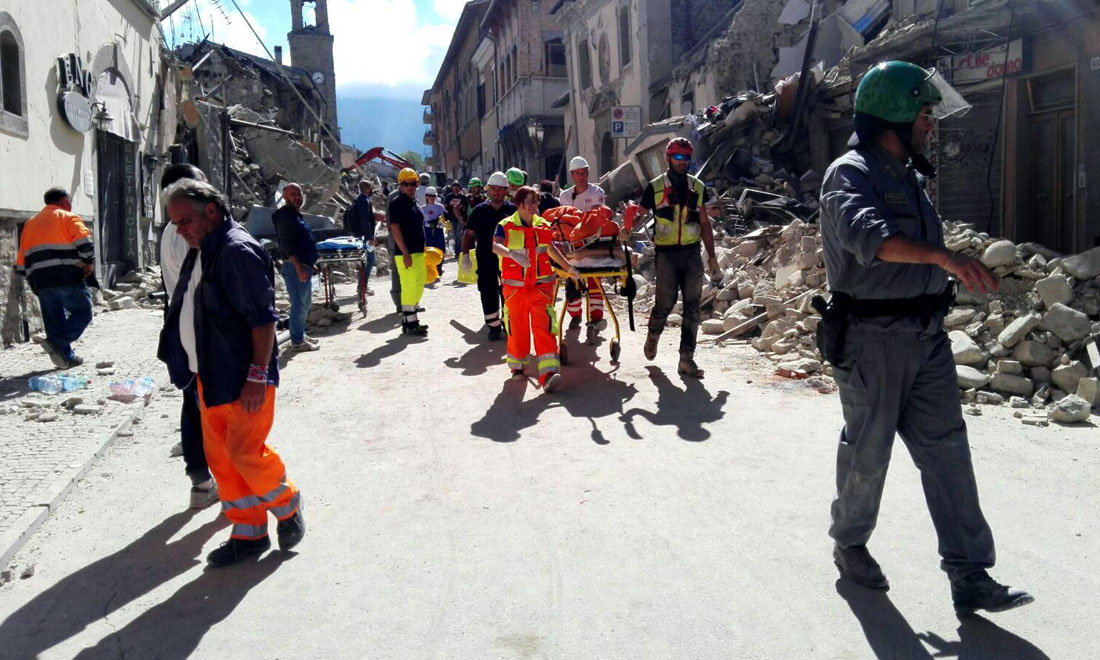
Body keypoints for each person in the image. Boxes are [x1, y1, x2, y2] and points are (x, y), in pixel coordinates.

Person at [819, 60, 1032, 614]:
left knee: (948, 456)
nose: (930, 125)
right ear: (893, 117)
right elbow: (873, 239)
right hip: (871, 340)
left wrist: (946, 268)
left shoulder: (911, 178)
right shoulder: (850, 173)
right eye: (924, 113)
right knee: (868, 454)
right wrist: (943, 256)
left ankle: (969, 574)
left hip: (926, 338)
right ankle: (849, 543)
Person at [161, 179, 305, 568]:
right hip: (208, 376)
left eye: (184, 220)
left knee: (244, 453)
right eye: (174, 223)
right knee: (221, 458)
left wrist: (257, 376)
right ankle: (248, 531)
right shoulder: (202, 248)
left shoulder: (236, 250)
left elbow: (263, 321)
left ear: (211, 211)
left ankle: (287, 504)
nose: (179, 230)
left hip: (243, 379)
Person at [157, 163, 217, 510]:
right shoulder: (187, 231)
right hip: (199, 330)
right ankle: (229, 486)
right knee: (211, 407)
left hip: (184, 327)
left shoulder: (169, 231)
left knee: (193, 405)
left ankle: (200, 481)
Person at [639, 138, 720, 378]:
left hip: (692, 253)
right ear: (669, 158)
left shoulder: (697, 187)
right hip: (666, 255)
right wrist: (625, 227)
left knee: (693, 308)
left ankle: (687, 359)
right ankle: (653, 335)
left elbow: (704, 223)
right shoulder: (654, 187)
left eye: (686, 158)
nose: (683, 162)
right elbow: (638, 214)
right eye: (678, 157)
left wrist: (712, 258)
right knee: (664, 304)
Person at [493, 186, 579, 392]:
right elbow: (495, 246)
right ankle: (518, 367)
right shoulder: (505, 225)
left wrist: (568, 268)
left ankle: (549, 375)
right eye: (530, 202)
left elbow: (550, 248)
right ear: (519, 203)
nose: (534, 206)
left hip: (541, 288)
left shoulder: (543, 225)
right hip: (515, 290)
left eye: (536, 201)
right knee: (517, 329)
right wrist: (512, 254)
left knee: (545, 330)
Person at [16, 187, 95, 369]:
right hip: (67, 276)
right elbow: (84, 242)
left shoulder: (30, 223)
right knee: (83, 313)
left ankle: (66, 358)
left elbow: (22, 255)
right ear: (63, 201)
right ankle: (56, 343)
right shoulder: (68, 217)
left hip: (41, 280)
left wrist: (26, 275)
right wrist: (88, 263)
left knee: (54, 320)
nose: (71, 204)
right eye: (70, 200)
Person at [463, 171, 515, 341]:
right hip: (485, 257)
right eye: (494, 189)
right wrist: (465, 255)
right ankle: (493, 325)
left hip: (508, 258)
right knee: (487, 290)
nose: (497, 192)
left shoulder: (513, 210)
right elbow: (468, 234)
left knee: (509, 291)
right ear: (488, 190)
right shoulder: (479, 211)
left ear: (506, 190)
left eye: (501, 189)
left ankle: (507, 322)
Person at [559, 156, 609, 330]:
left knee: (595, 279)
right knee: (573, 281)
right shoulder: (565, 196)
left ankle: (596, 317)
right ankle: (576, 315)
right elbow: (564, 221)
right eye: (578, 173)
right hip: (573, 244)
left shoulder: (597, 192)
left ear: (588, 172)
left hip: (594, 243)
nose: (581, 176)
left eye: (584, 172)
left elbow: (596, 218)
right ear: (572, 175)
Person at [273, 183, 320, 352]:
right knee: (299, 304)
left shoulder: (296, 215)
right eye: (293, 194)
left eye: (299, 194)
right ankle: (297, 341)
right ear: (284, 197)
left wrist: (310, 264)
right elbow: (286, 244)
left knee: (305, 303)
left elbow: (303, 241)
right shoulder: (284, 216)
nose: (297, 197)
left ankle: (299, 334)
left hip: (304, 265)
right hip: (294, 267)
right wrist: (299, 266)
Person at [389, 168, 429, 336]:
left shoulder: (413, 202)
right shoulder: (397, 203)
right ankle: (411, 322)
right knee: (409, 286)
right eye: (406, 184)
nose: (410, 187)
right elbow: (395, 229)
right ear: (401, 185)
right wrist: (405, 253)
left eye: (413, 183)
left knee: (419, 284)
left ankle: (408, 320)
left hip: (418, 251)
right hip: (406, 253)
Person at [346, 180, 381, 295]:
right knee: (370, 261)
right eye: (370, 188)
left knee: (367, 261)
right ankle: (363, 286)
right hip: (366, 238)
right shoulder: (363, 201)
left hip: (364, 236)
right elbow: (365, 221)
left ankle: (362, 286)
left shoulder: (360, 200)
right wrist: (370, 238)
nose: (372, 190)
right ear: (366, 188)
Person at [421, 187, 448, 276]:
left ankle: (439, 266)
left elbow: (444, 218)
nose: (431, 197)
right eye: (429, 195)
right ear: (426, 196)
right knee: (429, 248)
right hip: (428, 231)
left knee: (440, 247)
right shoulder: (422, 208)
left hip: (438, 230)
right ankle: (432, 267)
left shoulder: (440, 207)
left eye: (433, 195)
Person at [443, 180, 467, 257]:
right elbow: (444, 207)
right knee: (454, 235)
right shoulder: (449, 197)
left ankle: (458, 251)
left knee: (458, 234)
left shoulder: (463, 197)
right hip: (451, 218)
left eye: (457, 186)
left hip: (460, 219)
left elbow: (465, 207)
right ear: (452, 187)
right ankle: (457, 250)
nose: (456, 188)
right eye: (454, 186)